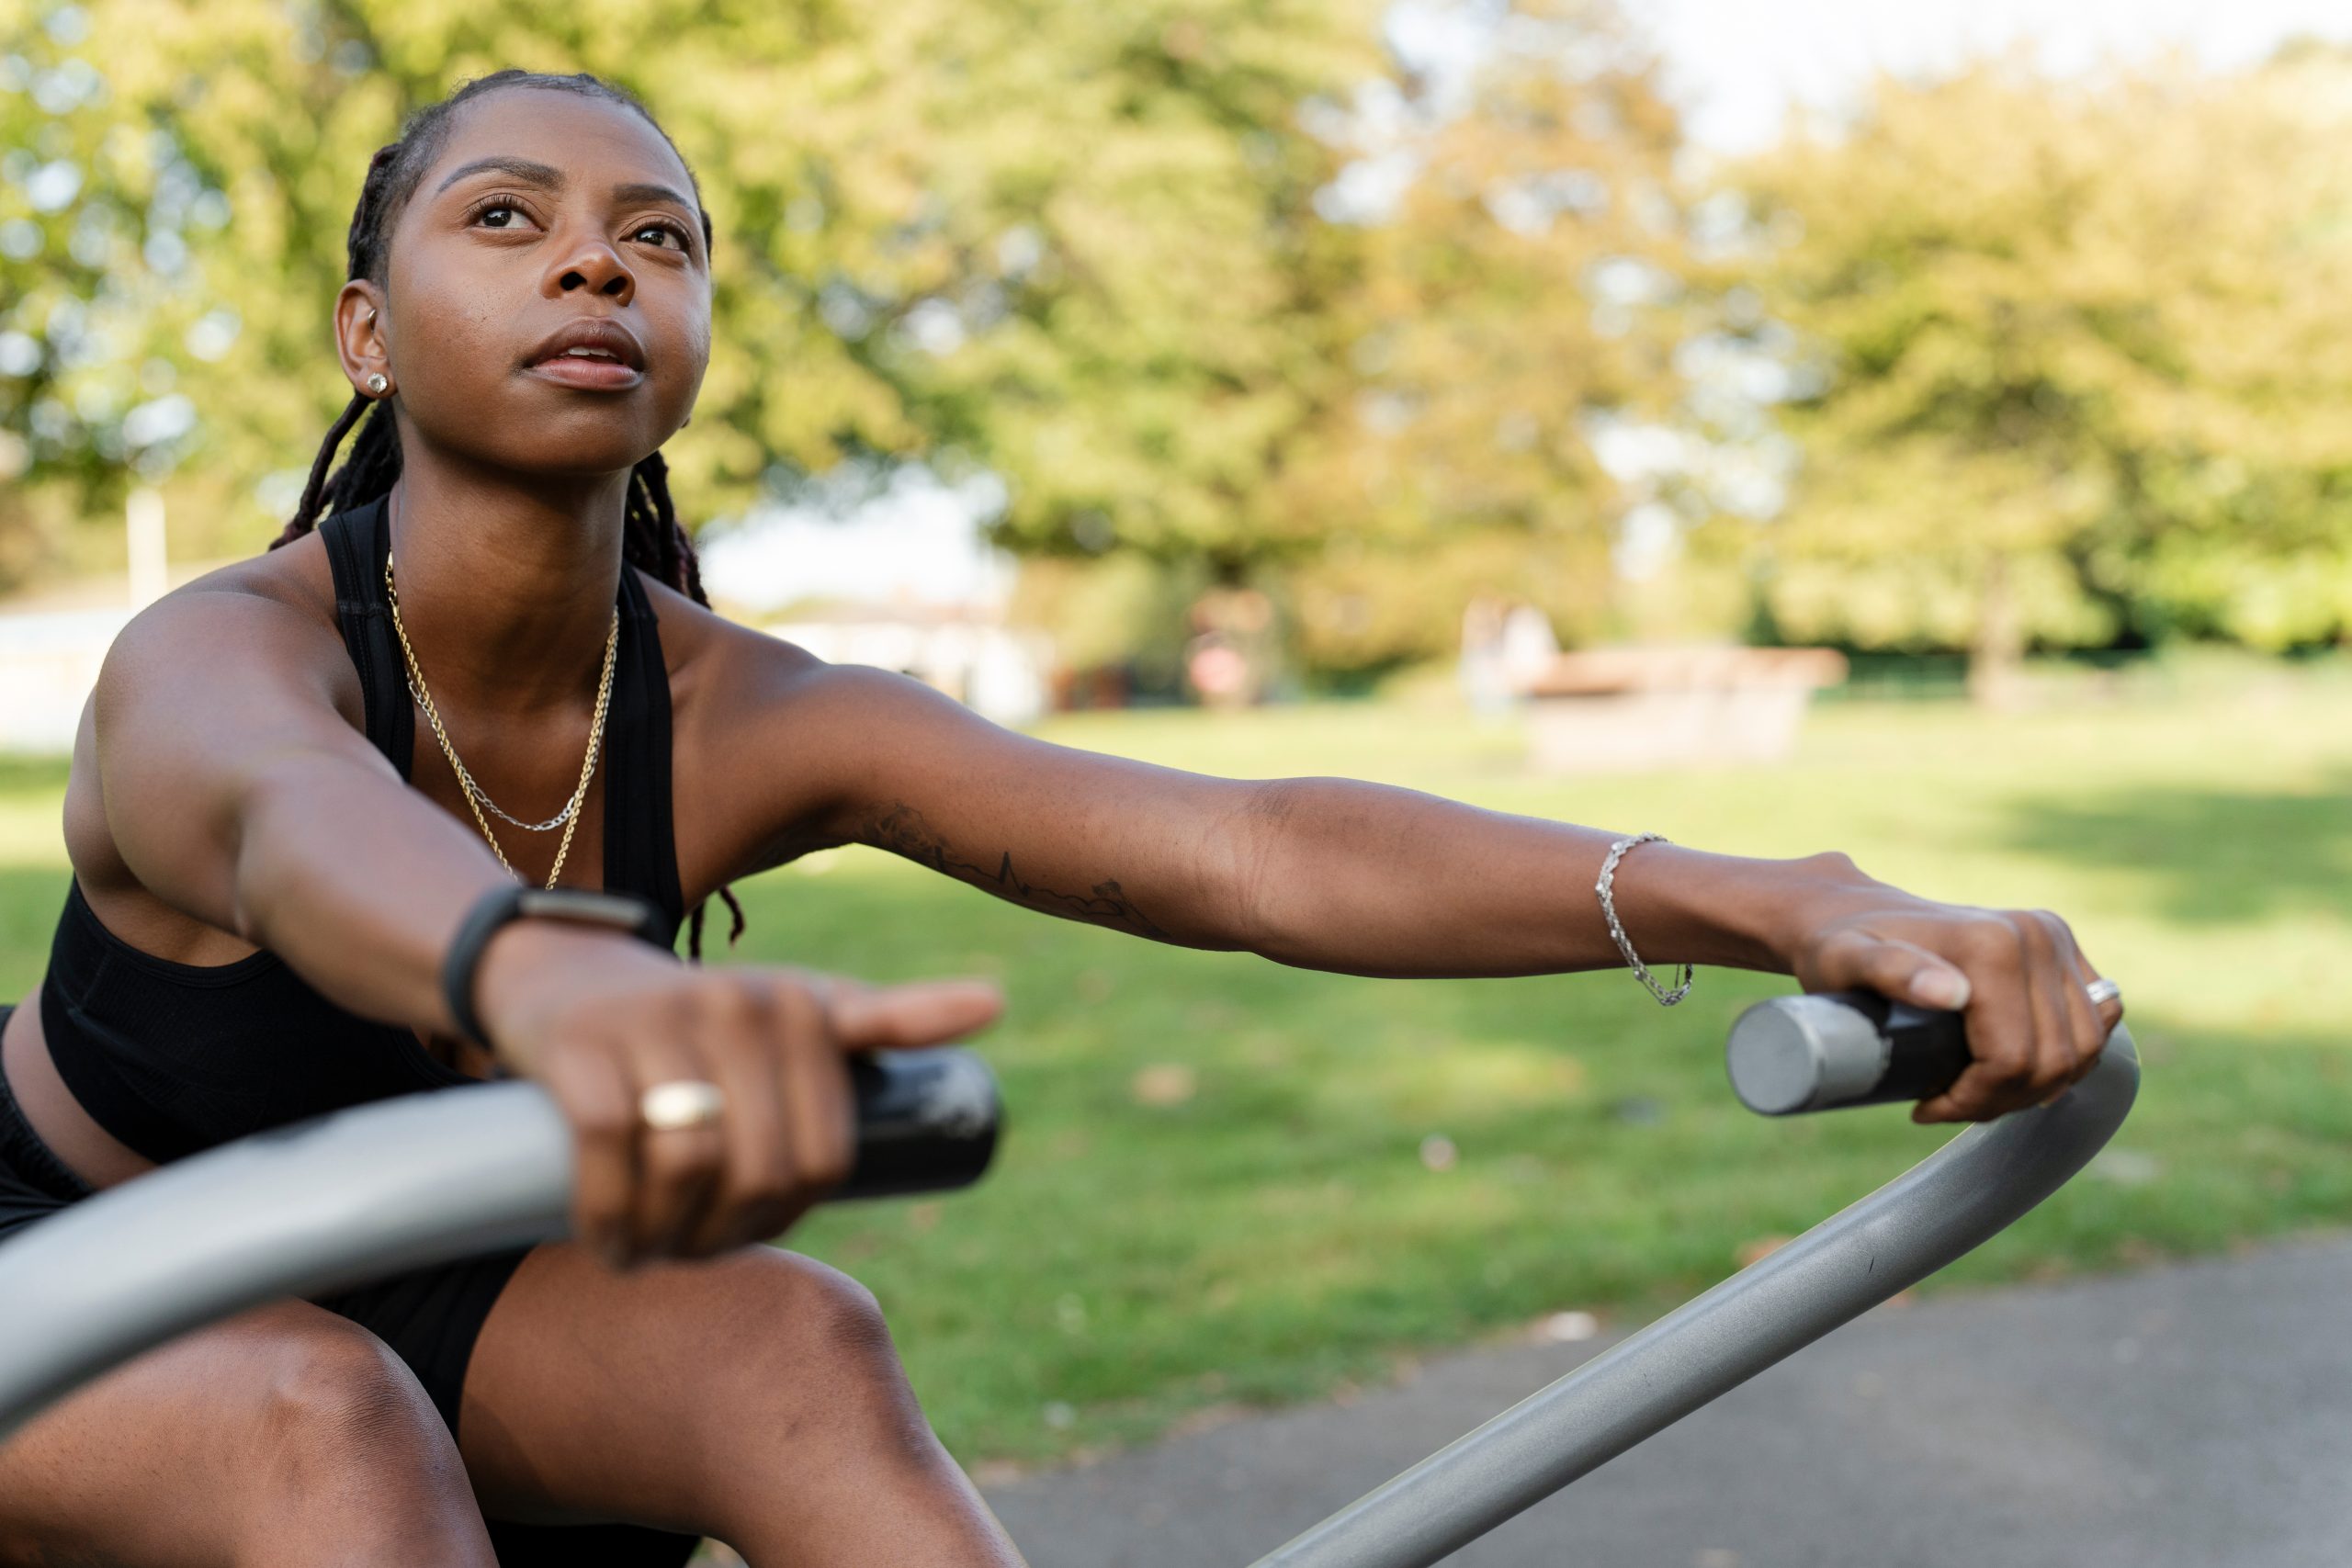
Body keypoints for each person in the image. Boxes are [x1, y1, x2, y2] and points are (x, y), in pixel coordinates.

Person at [0, 70, 2123, 1568]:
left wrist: (1765, 893)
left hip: (431, 1278)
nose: (594, 268)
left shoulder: (743, 711)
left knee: (788, 1338)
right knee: (315, 1422)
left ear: (698, 336)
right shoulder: (221, 659)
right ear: (368, 330)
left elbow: (1250, 845)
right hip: (63, 1277)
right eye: (509, 221)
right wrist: (534, 973)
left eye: (657, 239)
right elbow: (294, 826)